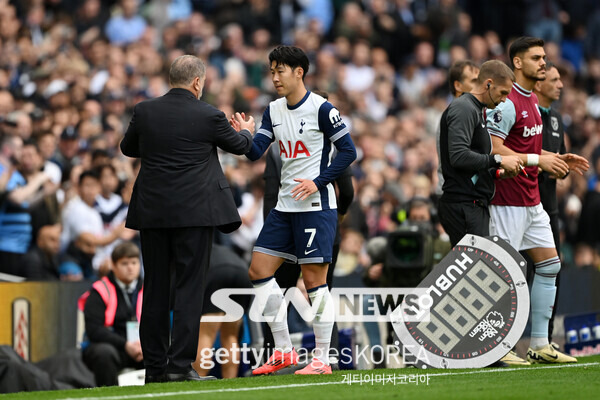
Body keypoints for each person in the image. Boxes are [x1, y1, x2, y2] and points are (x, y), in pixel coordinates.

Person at [120, 55, 254, 383]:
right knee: (189, 289)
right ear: (198, 82)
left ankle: (154, 369)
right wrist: (248, 131)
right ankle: (179, 368)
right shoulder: (209, 115)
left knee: (154, 289)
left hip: (153, 213)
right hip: (194, 214)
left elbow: (128, 148)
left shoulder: (144, 111)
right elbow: (240, 148)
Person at [232, 45, 357, 375]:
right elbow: (256, 151)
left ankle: (322, 359)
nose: (274, 77)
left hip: (316, 206)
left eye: (280, 71)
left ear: (299, 72)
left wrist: (318, 182)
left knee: (315, 281)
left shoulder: (321, 109)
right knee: (258, 270)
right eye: (272, 71)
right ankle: (284, 351)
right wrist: (245, 136)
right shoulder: (273, 110)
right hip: (285, 207)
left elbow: (348, 152)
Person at [486, 37, 589, 364]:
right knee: (502, 273)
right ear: (517, 63)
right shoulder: (507, 102)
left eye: (544, 57)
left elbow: (525, 147)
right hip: (506, 201)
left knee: (550, 265)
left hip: (532, 202)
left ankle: (540, 343)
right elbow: (494, 149)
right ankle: (497, 347)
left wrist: (555, 157)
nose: (543, 63)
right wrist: (538, 161)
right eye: (536, 58)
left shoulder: (532, 101)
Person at [259, 90, 354, 369]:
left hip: (290, 222)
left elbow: (269, 194)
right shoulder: (328, 144)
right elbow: (346, 190)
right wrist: (340, 215)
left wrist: (274, 228)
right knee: (323, 289)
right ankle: (329, 356)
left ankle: (278, 354)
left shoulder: (279, 148)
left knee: (282, 288)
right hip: (323, 223)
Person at [438, 60, 522, 247]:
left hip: (473, 204)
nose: (504, 100)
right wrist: (499, 160)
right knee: (471, 273)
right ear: (488, 84)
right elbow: (459, 156)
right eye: (503, 93)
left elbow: (474, 166)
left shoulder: (479, 110)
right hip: (463, 205)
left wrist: (498, 173)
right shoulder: (464, 108)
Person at [533, 62, 567, 346]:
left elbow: (560, 158)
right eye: (554, 80)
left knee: (552, 269)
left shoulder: (557, 119)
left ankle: (545, 337)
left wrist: (566, 165)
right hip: (524, 205)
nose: (561, 85)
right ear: (539, 84)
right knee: (521, 271)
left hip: (550, 206)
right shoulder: (524, 113)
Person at [80, 242, 144, 386]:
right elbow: (94, 330)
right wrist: (126, 345)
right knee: (104, 353)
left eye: (134, 262)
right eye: (124, 263)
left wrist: (144, 345)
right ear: (113, 266)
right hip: (113, 346)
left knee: (159, 352)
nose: (130, 268)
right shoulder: (99, 290)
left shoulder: (148, 289)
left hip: (141, 347)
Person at [192, 244, 252, 379]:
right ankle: (229, 382)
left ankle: (197, 380)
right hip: (242, 273)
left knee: (205, 336)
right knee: (231, 336)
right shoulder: (221, 249)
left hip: (216, 274)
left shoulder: (193, 251)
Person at [435, 60, 481, 197]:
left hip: (466, 193)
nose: (479, 86)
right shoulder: (456, 115)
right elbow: (461, 159)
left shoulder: (473, 113)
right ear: (458, 85)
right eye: (474, 81)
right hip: (457, 196)